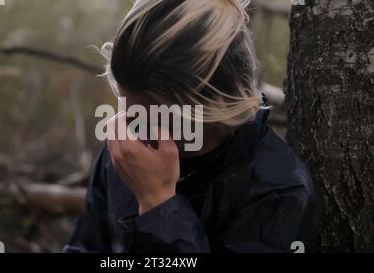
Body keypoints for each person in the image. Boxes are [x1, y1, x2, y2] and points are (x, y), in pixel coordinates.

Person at [64, 0, 323, 253]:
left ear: (215, 110)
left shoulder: (278, 194)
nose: (134, 128)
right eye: (127, 108)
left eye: (156, 119)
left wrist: (158, 205)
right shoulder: (129, 152)